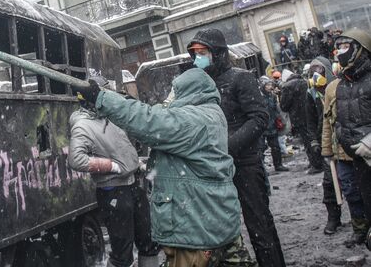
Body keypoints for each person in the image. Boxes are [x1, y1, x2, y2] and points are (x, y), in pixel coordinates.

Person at [76, 68, 256, 267]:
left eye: (175, 90)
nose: (171, 95)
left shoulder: (192, 120)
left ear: (188, 91)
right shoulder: (211, 113)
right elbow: (159, 115)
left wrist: (101, 97)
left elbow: (148, 121)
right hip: (217, 219)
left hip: (196, 230)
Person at [186, 29, 285, 267]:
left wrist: (228, 146)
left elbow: (260, 118)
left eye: (203, 52)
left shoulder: (240, 78)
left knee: (259, 225)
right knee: (221, 230)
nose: (198, 57)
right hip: (214, 169)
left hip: (245, 164)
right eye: (194, 53)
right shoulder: (198, 83)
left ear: (217, 53)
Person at [68, 76, 159, 267]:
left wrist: (135, 164)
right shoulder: (82, 125)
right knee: (122, 254)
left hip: (133, 185)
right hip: (114, 192)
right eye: (103, 94)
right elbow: (76, 159)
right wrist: (111, 166)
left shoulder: (110, 117)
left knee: (149, 242)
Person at [331, 29, 371, 250]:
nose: (340, 52)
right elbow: (340, 117)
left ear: (360, 50)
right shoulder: (344, 82)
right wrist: (340, 134)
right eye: (339, 47)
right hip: (358, 158)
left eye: (346, 47)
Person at [322, 66, 368, 247]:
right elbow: (327, 121)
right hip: (342, 152)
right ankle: (360, 229)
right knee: (351, 192)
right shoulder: (332, 88)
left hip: (364, 149)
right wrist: (326, 150)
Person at [305, 57, 341, 235]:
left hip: (344, 141)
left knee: (353, 183)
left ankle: (361, 221)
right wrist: (313, 140)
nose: (316, 73)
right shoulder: (311, 94)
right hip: (326, 143)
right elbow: (310, 122)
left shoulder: (338, 89)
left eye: (319, 69)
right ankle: (334, 218)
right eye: (312, 71)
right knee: (329, 183)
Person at [280, 69, 324, 174]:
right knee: (314, 138)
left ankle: (316, 164)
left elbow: (284, 106)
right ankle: (318, 161)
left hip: (298, 118)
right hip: (311, 114)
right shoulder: (305, 81)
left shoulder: (287, 87)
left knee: (307, 142)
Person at [260, 76, 288, 172]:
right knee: (261, 148)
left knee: (275, 147)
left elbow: (276, 109)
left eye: (270, 84)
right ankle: (262, 169)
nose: (270, 86)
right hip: (262, 127)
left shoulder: (272, 96)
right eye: (267, 85)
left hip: (272, 125)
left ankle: (278, 165)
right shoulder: (259, 98)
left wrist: (279, 119)